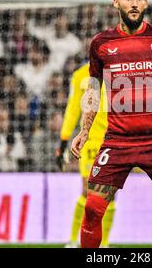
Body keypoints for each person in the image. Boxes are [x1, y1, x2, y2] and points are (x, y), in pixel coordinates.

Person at [69, 0, 152, 248]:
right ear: (116, 3)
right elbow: (92, 88)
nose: (134, 3)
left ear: (146, 3)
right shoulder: (101, 43)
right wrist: (85, 131)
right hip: (117, 141)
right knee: (92, 209)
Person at [56, 59, 115, 248]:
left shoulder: (119, 72)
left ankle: (104, 244)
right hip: (91, 141)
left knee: (110, 194)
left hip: (115, 141)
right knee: (88, 191)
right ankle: (74, 240)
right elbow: (73, 109)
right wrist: (64, 139)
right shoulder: (81, 75)